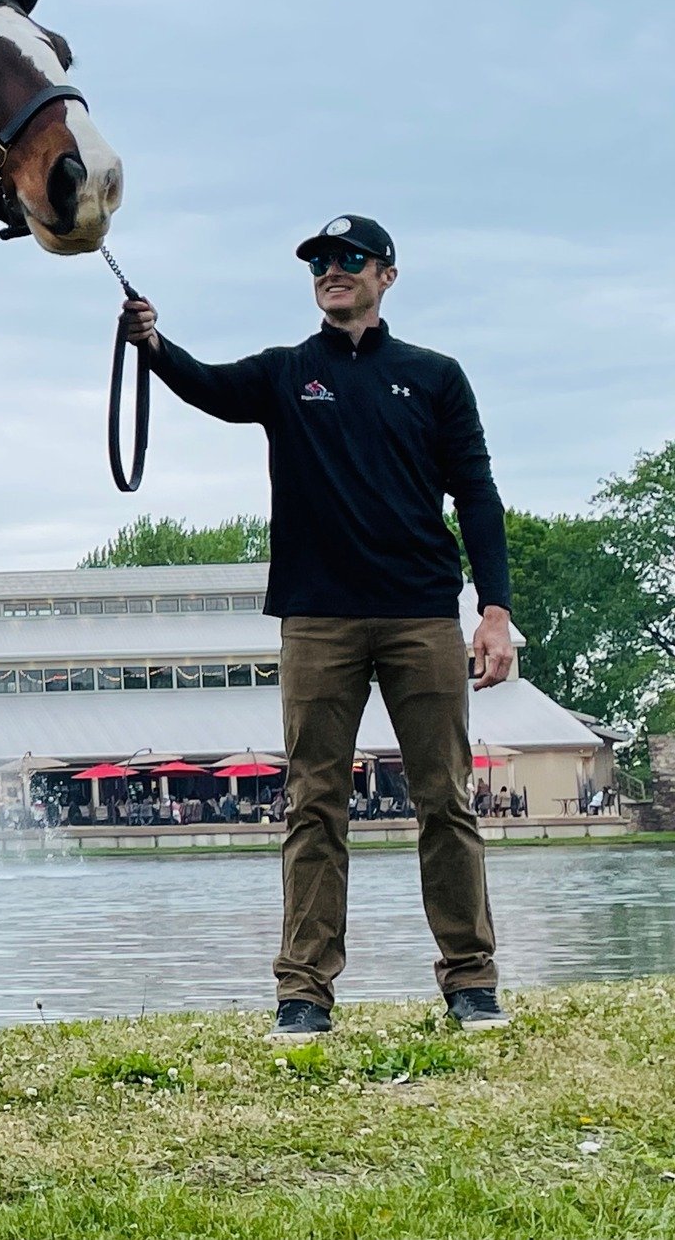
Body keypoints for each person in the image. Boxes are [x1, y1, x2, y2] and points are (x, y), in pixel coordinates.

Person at [123, 213, 513, 1039]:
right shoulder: (286, 373)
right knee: (313, 805)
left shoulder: (435, 377)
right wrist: (154, 347)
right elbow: (210, 386)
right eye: (320, 264)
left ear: (386, 276)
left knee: (446, 799)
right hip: (317, 621)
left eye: (349, 260)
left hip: (419, 616)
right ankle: (304, 994)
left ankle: (471, 982)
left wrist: (495, 611)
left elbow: (476, 494)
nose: (332, 271)